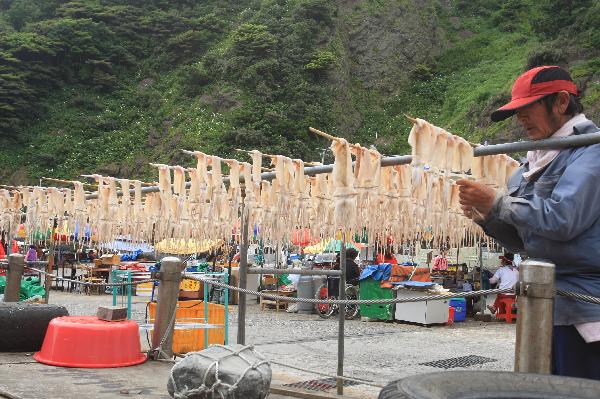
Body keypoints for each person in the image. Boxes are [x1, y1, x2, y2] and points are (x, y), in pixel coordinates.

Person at [457, 65, 600, 380]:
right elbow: (526, 242)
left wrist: (498, 202)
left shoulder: (590, 151)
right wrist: (489, 217)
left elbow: (563, 220)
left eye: (527, 108)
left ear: (561, 102)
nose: (519, 118)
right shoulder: (529, 165)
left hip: (585, 307)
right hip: (543, 302)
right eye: (516, 111)